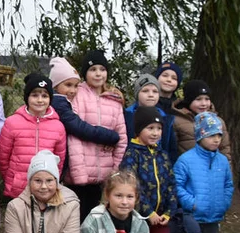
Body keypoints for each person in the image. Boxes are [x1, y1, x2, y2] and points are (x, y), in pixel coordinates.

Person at [63, 50, 128, 219]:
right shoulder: (77, 95)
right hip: (79, 173)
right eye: (93, 69)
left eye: (102, 69)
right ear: (85, 73)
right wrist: (79, 173)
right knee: (75, 219)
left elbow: (121, 138)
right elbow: (74, 134)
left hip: (104, 174)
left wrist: (114, 171)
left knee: (96, 220)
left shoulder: (114, 100)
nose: (98, 73)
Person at [48, 57, 121, 181]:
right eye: (68, 85)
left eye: (76, 86)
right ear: (55, 86)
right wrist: (110, 136)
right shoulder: (58, 104)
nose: (73, 90)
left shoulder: (63, 101)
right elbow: (79, 127)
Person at [0, 73, 67, 199]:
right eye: (35, 95)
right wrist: (13, 178)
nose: (40, 100)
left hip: (45, 189)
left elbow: (59, 160)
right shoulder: (12, 123)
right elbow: (2, 157)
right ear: (26, 97)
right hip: (18, 189)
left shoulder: (58, 126)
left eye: (44, 96)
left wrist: (52, 181)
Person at [173, 112, 234, 233]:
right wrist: (192, 203)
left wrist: (223, 204)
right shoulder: (186, 160)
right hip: (193, 217)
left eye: (219, 135)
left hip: (214, 217)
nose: (216, 140)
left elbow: (228, 185)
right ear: (200, 136)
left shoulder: (222, 161)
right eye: (211, 135)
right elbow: (176, 185)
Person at [119, 106, 178, 233]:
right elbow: (130, 186)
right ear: (139, 130)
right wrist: (148, 212)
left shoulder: (162, 155)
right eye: (150, 128)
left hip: (161, 219)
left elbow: (171, 184)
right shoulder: (132, 155)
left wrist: (169, 212)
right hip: (137, 218)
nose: (155, 133)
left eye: (159, 128)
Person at [170, 80, 232, 159]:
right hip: (187, 168)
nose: (203, 103)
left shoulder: (218, 121)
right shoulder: (176, 121)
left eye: (207, 99)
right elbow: (172, 151)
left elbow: (225, 149)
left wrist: (226, 169)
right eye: (198, 99)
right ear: (188, 101)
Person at [123, 74, 178, 158]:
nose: (151, 95)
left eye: (155, 91)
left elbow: (171, 149)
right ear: (137, 94)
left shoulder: (166, 119)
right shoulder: (126, 116)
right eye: (145, 91)